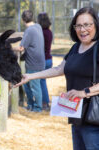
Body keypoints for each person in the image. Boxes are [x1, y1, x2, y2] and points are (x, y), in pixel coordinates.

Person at [15, 7, 99, 150]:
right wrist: (30, 76)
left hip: (94, 120)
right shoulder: (76, 47)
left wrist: (84, 92)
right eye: (78, 25)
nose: (82, 29)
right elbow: (59, 69)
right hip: (76, 118)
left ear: (96, 25)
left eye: (87, 24)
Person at [14, 10, 45, 112]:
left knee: (34, 87)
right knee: (29, 85)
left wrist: (9, 47)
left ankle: (37, 108)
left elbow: (21, 48)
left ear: (23, 19)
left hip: (33, 63)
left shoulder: (29, 30)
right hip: (40, 62)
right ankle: (31, 105)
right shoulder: (38, 26)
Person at [38, 12, 53, 110]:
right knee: (43, 81)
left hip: (43, 59)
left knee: (41, 82)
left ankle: (45, 103)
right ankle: (45, 102)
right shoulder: (49, 32)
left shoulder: (41, 33)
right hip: (49, 59)